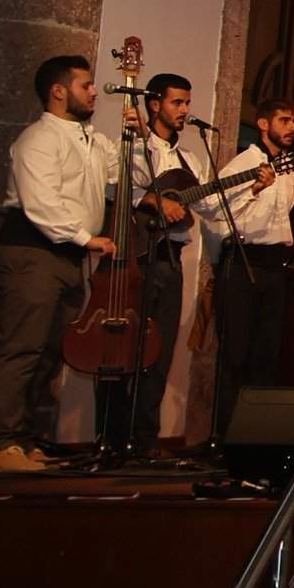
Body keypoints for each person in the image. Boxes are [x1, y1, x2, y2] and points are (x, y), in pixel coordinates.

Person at [0, 56, 126, 473]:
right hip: (33, 250)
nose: (94, 92)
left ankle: (25, 439)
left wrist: (137, 134)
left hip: (66, 255)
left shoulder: (91, 140)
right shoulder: (39, 139)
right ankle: (0, 443)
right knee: (22, 346)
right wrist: (86, 238)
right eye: (85, 85)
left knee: (50, 350)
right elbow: (40, 202)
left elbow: (123, 175)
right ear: (59, 91)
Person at [109, 72, 211, 459]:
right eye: (177, 102)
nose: (185, 110)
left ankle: (146, 438)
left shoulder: (190, 160)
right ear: (155, 104)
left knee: (161, 349)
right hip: (138, 257)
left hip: (172, 258)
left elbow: (208, 206)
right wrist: (156, 201)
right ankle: (115, 435)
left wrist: (250, 186)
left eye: (187, 103)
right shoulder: (136, 144)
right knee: (126, 345)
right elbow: (122, 184)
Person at [205, 98, 294, 442]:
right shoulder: (243, 163)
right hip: (243, 259)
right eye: (284, 120)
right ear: (263, 124)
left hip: (274, 264)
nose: (292, 128)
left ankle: (253, 436)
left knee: (266, 352)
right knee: (236, 352)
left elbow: (284, 214)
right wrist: (254, 189)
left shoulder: (291, 170)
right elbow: (212, 207)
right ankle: (225, 436)